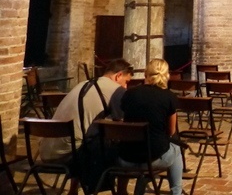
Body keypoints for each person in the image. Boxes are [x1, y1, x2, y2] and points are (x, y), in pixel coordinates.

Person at [39, 58, 134, 162]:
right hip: (70, 152)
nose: (126, 86)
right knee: (110, 148)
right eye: (126, 82)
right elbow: (122, 127)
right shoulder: (116, 90)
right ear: (118, 76)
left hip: (47, 150)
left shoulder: (82, 84)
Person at [118, 58, 182, 195]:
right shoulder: (169, 97)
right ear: (167, 75)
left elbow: (123, 117)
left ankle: (121, 191)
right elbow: (171, 130)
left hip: (126, 157)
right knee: (177, 148)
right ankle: (176, 192)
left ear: (145, 74)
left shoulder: (130, 93)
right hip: (153, 157)